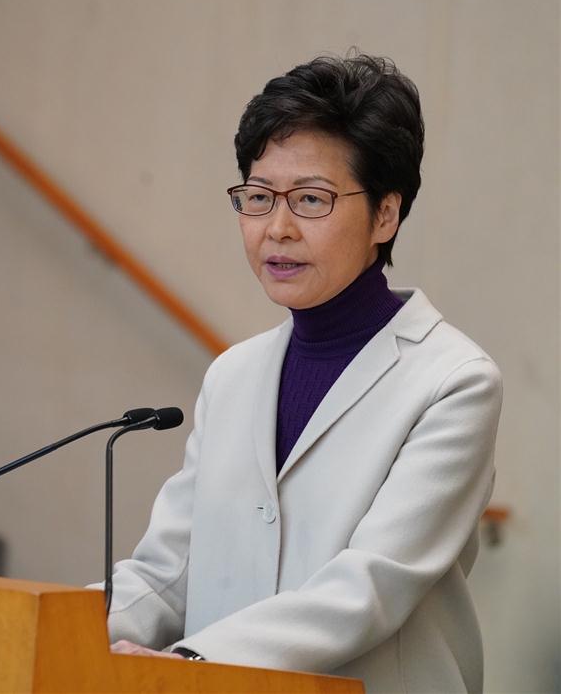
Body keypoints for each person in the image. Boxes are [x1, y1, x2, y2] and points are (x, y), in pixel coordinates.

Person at [106, 54, 502, 694]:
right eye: (258, 198)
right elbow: (165, 576)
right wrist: (54, 625)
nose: (277, 228)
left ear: (385, 215)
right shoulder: (233, 376)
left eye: (311, 199)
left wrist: (190, 663)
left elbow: (370, 585)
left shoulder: (454, 380)